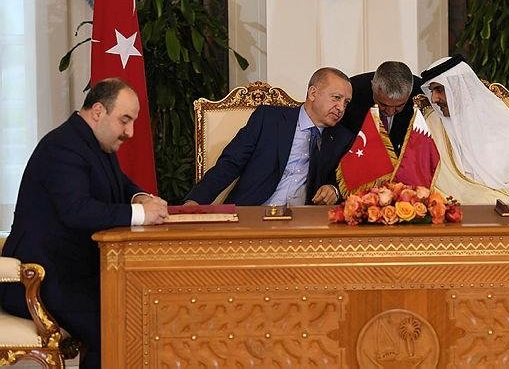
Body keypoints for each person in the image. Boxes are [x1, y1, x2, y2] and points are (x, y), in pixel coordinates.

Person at [0, 78, 169, 369]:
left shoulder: (95, 143)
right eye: (124, 120)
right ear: (98, 111)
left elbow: (120, 185)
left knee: (138, 313)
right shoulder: (62, 147)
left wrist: (141, 197)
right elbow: (77, 211)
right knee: (117, 328)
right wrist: (142, 215)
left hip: (73, 274)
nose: (130, 132)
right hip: (38, 280)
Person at [183, 67, 354, 206]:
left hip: (301, 225)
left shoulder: (342, 140)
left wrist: (334, 190)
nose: (341, 108)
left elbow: (345, 182)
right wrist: (196, 200)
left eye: (346, 102)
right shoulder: (269, 119)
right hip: (252, 215)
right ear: (313, 93)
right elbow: (230, 163)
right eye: (336, 98)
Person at [420, 55, 509, 204]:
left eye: (439, 90)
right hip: (461, 211)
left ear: (457, 87)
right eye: (432, 91)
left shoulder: (505, 117)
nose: (434, 99)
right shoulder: (433, 125)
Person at [341, 61, 422, 155]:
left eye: (399, 106)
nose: (390, 112)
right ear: (372, 86)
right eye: (383, 105)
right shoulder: (350, 93)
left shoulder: (421, 94)